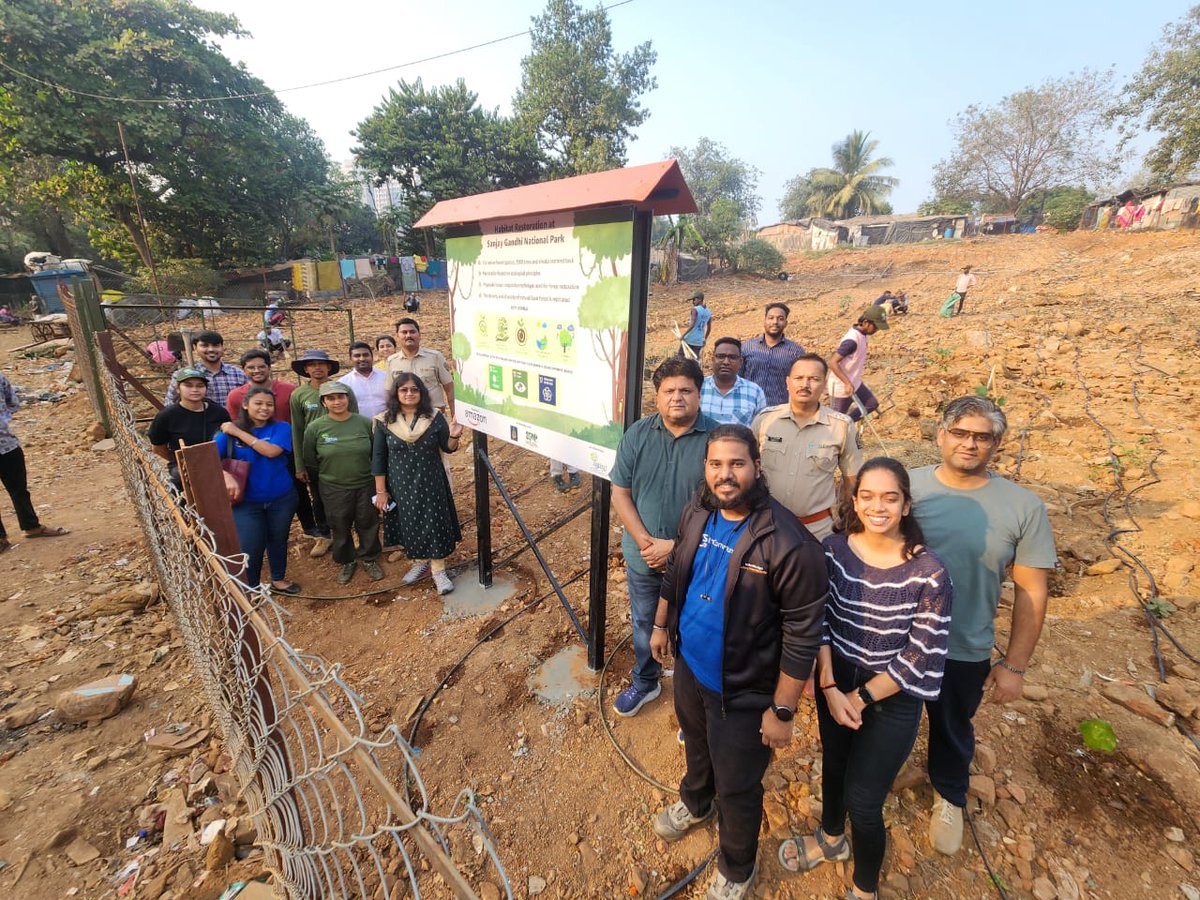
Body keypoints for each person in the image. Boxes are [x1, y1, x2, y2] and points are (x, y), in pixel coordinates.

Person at [648, 424, 827, 900]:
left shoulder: (789, 542)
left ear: (756, 468)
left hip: (744, 690)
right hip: (690, 667)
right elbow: (676, 572)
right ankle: (696, 803)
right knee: (697, 749)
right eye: (716, 464)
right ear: (705, 468)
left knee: (739, 784)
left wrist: (783, 710)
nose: (725, 475)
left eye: (736, 464)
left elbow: (802, 636)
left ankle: (737, 864)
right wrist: (661, 625)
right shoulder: (698, 510)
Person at [778, 458, 952, 900]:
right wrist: (830, 685)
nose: (879, 506)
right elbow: (818, 620)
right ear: (854, 501)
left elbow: (919, 657)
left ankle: (864, 886)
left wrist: (855, 697)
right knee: (834, 766)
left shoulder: (929, 573)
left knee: (865, 799)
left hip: (891, 697)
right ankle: (831, 839)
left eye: (890, 497)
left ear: (906, 505)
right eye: (868, 496)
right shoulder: (833, 551)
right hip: (837, 681)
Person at [910, 397, 1057, 855]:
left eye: (982, 436)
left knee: (953, 725)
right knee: (883, 719)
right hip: (894, 639)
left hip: (963, 644)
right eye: (960, 432)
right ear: (940, 435)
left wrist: (1015, 665)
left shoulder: (1023, 507)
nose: (969, 444)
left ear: (997, 444)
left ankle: (949, 794)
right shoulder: (904, 487)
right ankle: (875, 780)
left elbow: (1033, 590)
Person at [609, 357, 717, 717]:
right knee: (643, 622)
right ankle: (646, 680)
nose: (677, 397)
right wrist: (645, 541)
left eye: (686, 390)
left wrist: (676, 547)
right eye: (669, 391)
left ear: (699, 395)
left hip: (696, 559)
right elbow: (620, 491)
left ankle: (693, 702)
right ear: (657, 397)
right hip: (644, 556)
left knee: (693, 629)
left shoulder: (716, 441)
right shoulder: (638, 435)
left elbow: (723, 506)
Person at [751, 354, 862, 541]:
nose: (805, 384)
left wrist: (846, 519)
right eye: (799, 378)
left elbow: (852, 480)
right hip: (767, 526)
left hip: (817, 531)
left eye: (814, 379)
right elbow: (747, 468)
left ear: (825, 384)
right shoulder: (765, 420)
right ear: (788, 382)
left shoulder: (842, 426)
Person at [372, 373, 463, 595]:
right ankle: (421, 562)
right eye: (404, 390)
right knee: (410, 521)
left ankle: (439, 570)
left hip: (431, 480)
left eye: (414, 389)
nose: (409, 393)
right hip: (401, 483)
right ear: (396, 394)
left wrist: (454, 436)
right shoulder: (383, 421)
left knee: (434, 521)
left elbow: (448, 447)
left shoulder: (434, 417)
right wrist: (381, 491)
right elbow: (378, 458)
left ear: (421, 393)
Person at [214, 386, 300, 594]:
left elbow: (271, 452)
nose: (264, 408)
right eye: (258, 403)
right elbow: (208, 462)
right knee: (251, 544)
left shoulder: (281, 428)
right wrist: (225, 476)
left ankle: (278, 578)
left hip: (281, 497)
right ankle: (251, 587)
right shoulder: (226, 435)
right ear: (245, 405)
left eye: (269, 404)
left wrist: (238, 433)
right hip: (246, 502)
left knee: (278, 538)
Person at [302, 382, 382, 585]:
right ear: (324, 402)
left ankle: (369, 558)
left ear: (348, 399)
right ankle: (347, 560)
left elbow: (375, 452)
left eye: (341, 397)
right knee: (339, 525)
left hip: (365, 483)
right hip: (333, 487)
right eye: (331, 398)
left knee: (368, 522)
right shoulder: (315, 428)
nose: (337, 401)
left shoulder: (363, 423)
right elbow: (310, 460)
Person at [226, 350, 314, 535]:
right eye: (251, 367)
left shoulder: (289, 390)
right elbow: (237, 425)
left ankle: (310, 527)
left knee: (298, 489)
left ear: (269, 367)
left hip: (287, 447)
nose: (257, 370)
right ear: (244, 370)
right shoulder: (236, 396)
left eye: (261, 366)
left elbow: (297, 420)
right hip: (253, 450)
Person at [290, 350, 358, 559]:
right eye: (312, 364)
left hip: (344, 453)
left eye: (321, 364)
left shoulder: (344, 390)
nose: (317, 368)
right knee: (319, 497)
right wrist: (300, 465)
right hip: (316, 456)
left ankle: (354, 532)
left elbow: (354, 420)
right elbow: (297, 430)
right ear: (306, 369)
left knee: (351, 494)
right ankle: (325, 534)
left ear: (329, 367)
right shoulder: (299, 395)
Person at [0, 371, 68, 552]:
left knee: (19, 490)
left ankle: (5, 539)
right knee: (19, 490)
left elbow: (12, 403)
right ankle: (31, 526)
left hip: (7, 444)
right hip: (7, 445)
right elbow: (13, 404)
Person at [149, 367, 231, 488]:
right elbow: (158, 447)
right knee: (180, 478)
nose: (194, 390)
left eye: (200, 386)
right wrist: (179, 461)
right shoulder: (167, 416)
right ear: (178, 388)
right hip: (185, 467)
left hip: (217, 464)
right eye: (188, 385)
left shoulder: (219, 412)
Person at [827, 306, 888, 422]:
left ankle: (846, 422)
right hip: (841, 387)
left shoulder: (863, 335)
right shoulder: (851, 341)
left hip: (855, 382)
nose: (877, 330)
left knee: (871, 404)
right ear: (865, 323)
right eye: (875, 327)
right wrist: (847, 383)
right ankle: (838, 429)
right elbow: (833, 362)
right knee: (835, 422)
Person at [385, 318, 455, 420]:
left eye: (412, 332)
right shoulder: (392, 361)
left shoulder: (435, 357)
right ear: (397, 336)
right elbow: (389, 392)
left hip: (433, 417)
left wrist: (455, 415)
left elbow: (450, 389)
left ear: (419, 335)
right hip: (405, 420)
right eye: (404, 332)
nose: (408, 335)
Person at [741, 303, 806, 408]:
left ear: (786, 323)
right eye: (771, 318)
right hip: (748, 406)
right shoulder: (747, 347)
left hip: (778, 410)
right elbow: (737, 378)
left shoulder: (796, 352)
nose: (775, 322)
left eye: (780, 319)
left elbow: (800, 383)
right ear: (764, 321)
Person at [163, 331, 246, 409]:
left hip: (231, 423)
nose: (211, 349)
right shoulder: (181, 375)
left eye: (216, 345)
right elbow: (170, 403)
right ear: (195, 347)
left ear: (222, 347)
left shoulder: (238, 374)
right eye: (205, 345)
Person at [700, 337, 766, 426]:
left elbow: (761, 428)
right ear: (712, 359)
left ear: (740, 362)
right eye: (721, 356)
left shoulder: (754, 391)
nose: (726, 362)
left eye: (732, 357)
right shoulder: (698, 387)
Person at [339, 341, 389, 419]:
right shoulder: (343, 383)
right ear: (350, 359)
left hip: (386, 424)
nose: (362, 359)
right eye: (357, 356)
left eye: (365, 355)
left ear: (372, 357)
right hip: (359, 427)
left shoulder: (386, 377)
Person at [679, 290, 712, 358]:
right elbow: (709, 328)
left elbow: (692, 324)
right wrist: (704, 339)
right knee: (695, 360)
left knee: (680, 357)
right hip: (699, 341)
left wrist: (683, 335)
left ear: (700, 299)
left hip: (689, 339)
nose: (693, 302)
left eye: (694, 299)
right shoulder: (709, 311)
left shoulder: (695, 309)